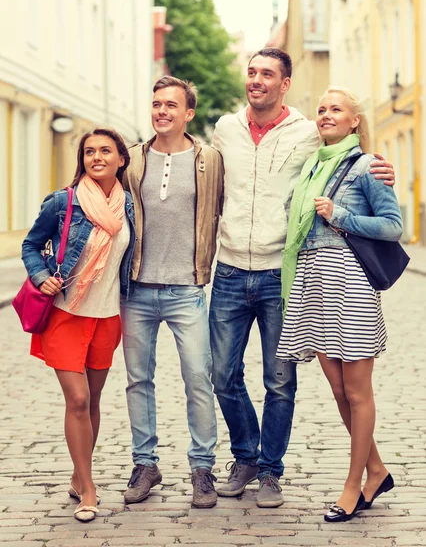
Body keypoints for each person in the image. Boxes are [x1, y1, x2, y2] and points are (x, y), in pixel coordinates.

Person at [210, 48, 395, 508]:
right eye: (251, 72)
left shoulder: (313, 137)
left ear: (285, 83)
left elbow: (382, 209)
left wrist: (378, 172)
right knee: (225, 375)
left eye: (267, 74)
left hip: (296, 276)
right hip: (249, 270)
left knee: (285, 381)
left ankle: (277, 471)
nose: (256, 80)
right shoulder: (227, 131)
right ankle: (250, 456)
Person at [277, 86, 401, 522]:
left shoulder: (368, 166)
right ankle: (377, 470)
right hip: (313, 280)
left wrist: (339, 215)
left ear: (354, 122)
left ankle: (355, 486)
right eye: (322, 108)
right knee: (336, 387)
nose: (326, 114)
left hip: (348, 282)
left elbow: (392, 226)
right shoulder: (312, 164)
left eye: (337, 110)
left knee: (356, 389)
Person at [21, 128, 136, 523]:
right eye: (90, 151)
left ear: (122, 158)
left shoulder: (129, 208)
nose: (97, 157)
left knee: (95, 401)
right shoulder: (63, 202)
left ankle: (77, 471)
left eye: (106, 151)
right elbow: (30, 245)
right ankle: (88, 488)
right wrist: (41, 277)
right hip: (66, 314)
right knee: (79, 400)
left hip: (106, 317)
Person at [121, 76, 223, 509]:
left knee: (198, 378)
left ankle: (203, 467)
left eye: (171, 105)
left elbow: (228, 205)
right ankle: (145, 464)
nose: (161, 111)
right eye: (156, 104)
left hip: (187, 289)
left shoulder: (211, 160)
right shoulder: (131, 159)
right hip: (137, 289)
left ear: (188, 114)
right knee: (138, 380)